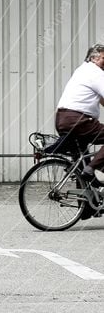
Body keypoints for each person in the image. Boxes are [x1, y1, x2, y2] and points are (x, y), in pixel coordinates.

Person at [56, 44, 104, 216]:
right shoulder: (96, 73)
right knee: (88, 167)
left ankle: (86, 208)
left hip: (63, 119)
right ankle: (93, 170)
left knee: (80, 160)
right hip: (78, 120)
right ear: (94, 58)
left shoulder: (81, 71)